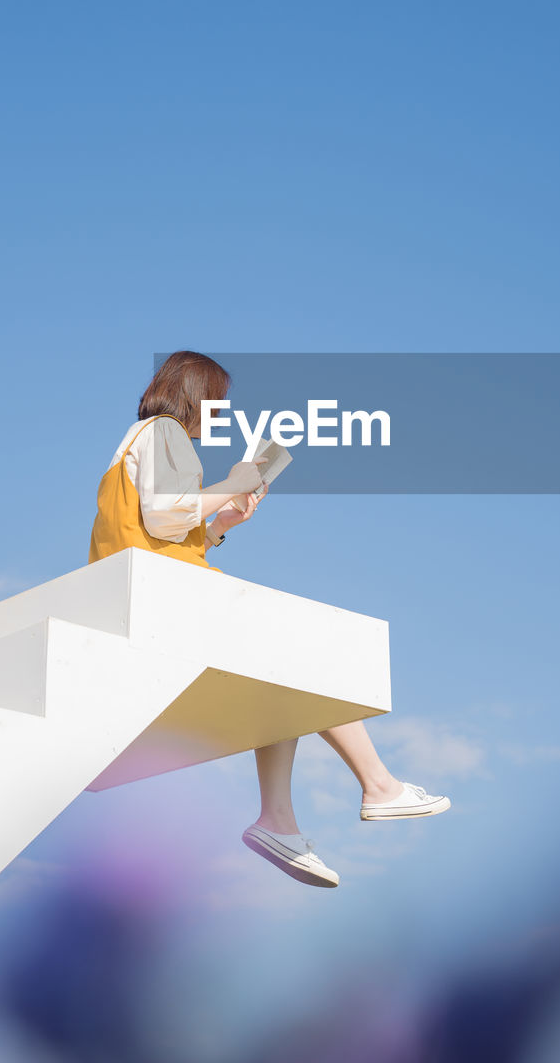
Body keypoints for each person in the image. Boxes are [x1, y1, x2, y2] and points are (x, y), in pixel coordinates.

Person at [89, 350, 450, 889]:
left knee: (283, 681)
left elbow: (162, 528)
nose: (221, 415)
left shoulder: (141, 441)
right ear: (198, 394)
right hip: (163, 597)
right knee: (309, 655)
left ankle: (280, 819)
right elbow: (167, 509)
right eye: (220, 403)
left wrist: (222, 520)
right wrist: (236, 478)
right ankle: (377, 785)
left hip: (153, 589)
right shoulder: (165, 431)